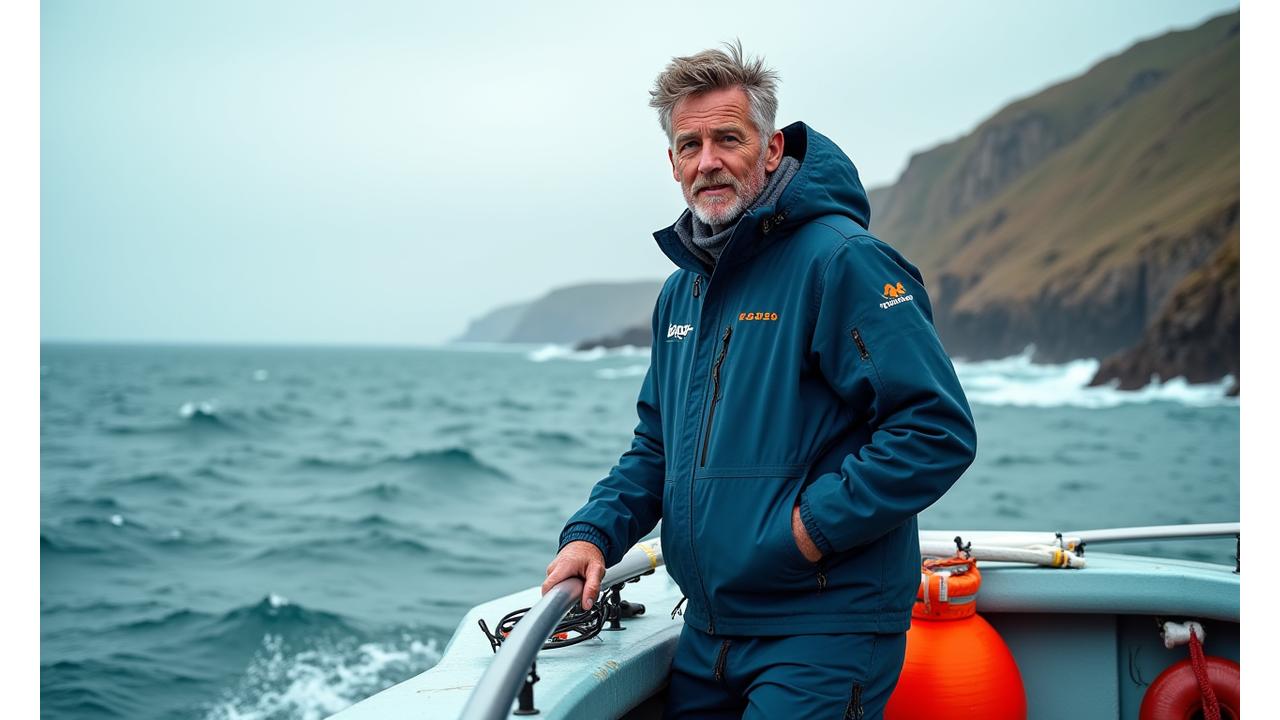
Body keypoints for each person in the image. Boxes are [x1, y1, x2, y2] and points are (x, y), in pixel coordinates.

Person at [542, 41, 977, 719]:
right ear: (672, 163)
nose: (707, 161)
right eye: (689, 145)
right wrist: (591, 534)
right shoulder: (683, 292)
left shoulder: (844, 261)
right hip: (710, 631)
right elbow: (657, 446)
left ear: (771, 149)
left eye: (728, 138)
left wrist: (805, 532)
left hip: (823, 631)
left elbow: (934, 430)